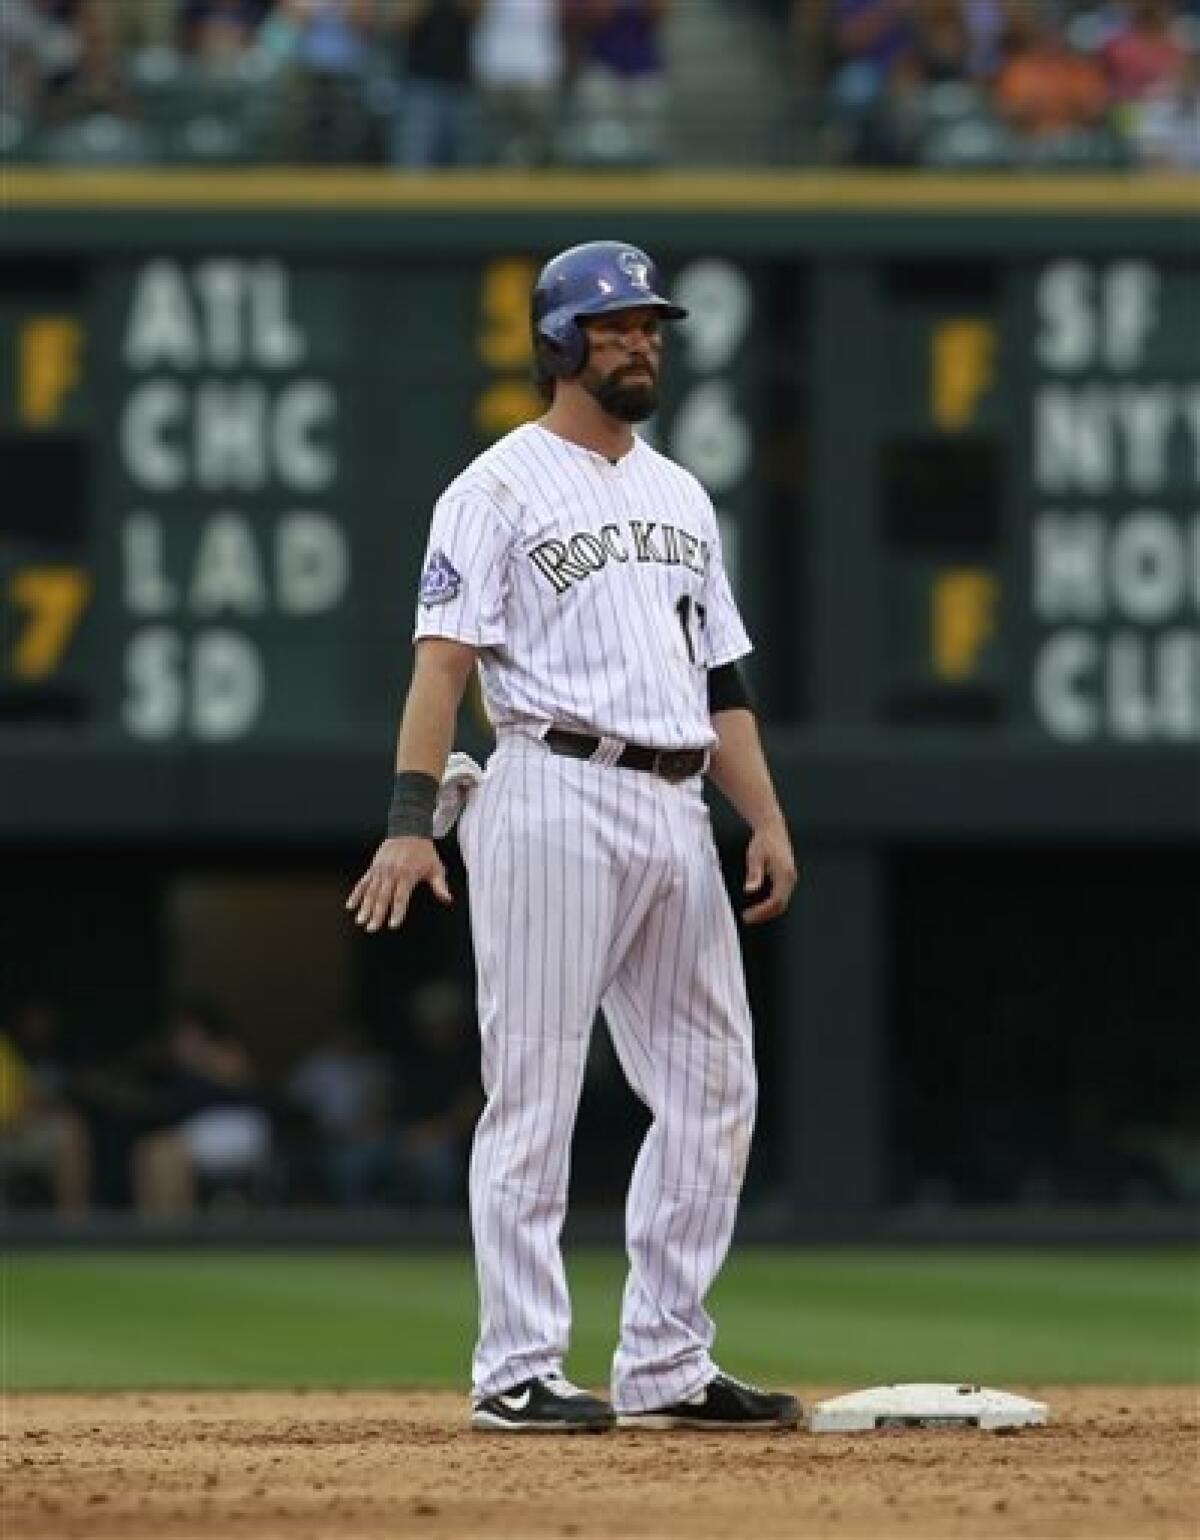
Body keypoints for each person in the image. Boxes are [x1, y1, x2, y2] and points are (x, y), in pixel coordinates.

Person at [347, 240, 800, 1434]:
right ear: (559, 342)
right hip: (550, 787)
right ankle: (516, 1369)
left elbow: (725, 676)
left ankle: (665, 1358)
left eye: (650, 324)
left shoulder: (680, 492)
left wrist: (764, 816)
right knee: (535, 1086)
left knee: (715, 1084)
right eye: (614, 326)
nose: (641, 340)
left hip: (676, 800)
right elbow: (441, 666)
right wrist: (408, 825)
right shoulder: (493, 487)